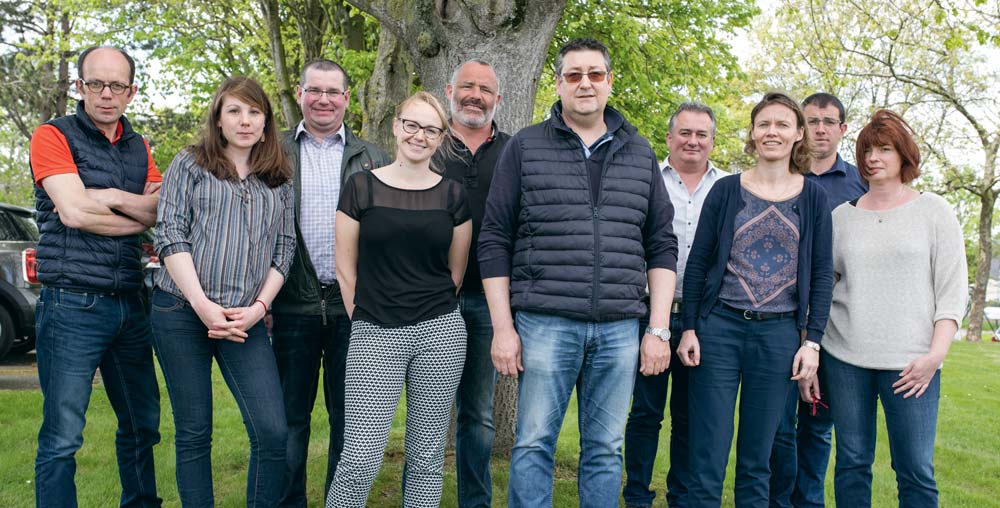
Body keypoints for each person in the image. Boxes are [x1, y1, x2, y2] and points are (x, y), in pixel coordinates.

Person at [479, 38, 678, 507]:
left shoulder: (640, 151)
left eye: (594, 74)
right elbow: (494, 240)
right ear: (559, 83)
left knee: (607, 450)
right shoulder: (525, 147)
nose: (584, 83)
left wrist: (659, 329)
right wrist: (503, 328)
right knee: (532, 446)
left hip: (619, 327)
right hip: (545, 322)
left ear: (609, 81)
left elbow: (661, 245)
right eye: (573, 74)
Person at [677, 91, 833, 508]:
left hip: (779, 336)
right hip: (720, 331)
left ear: (799, 134)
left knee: (757, 459)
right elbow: (698, 265)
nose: (772, 132)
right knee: (707, 453)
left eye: (783, 124)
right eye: (764, 124)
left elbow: (821, 275)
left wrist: (811, 341)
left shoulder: (814, 198)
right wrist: (690, 326)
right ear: (752, 132)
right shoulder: (727, 191)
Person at [29, 45, 162, 508]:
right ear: (79, 86)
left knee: (143, 425)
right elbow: (73, 210)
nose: (106, 94)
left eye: (117, 85)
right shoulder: (52, 135)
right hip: (71, 304)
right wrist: (133, 211)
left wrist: (103, 195)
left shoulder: (140, 145)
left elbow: (158, 209)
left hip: (130, 299)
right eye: (96, 84)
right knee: (64, 434)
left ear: (132, 91)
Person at [152, 76, 294, 506]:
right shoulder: (190, 163)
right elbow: (170, 234)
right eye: (234, 111)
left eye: (254, 112)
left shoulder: (278, 179)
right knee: (195, 432)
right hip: (180, 311)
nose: (245, 120)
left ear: (266, 121)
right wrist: (203, 306)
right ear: (218, 117)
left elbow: (284, 248)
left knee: (272, 431)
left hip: (244, 320)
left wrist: (258, 307)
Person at [325, 91, 472, 507]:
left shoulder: (453, 196)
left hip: (439, 335)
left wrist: (426, 311)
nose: (419, 136)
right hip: (375, 334)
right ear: (396, 125)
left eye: (430, 129)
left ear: (440, 138)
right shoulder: (361, 187)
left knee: (426, 459)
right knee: (360, 458)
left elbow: (454, 272)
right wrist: (365, 318)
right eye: (412, 124)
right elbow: (344, 268)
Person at [820, 109, 966, 507]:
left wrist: (935, 356)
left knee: (915, 469)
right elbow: (824, 288)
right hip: (845, 359)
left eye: (884, 149)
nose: (872, 158)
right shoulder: (841, 218)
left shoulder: (934, 212)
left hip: (912, 364)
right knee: (851, 462)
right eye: (867, 149)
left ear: (904, 156)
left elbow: (952, 291)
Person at [270, 58, 390, 507]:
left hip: (353, 311)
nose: (323, 100)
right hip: (289, 306)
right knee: (288, 422)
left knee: (350, 422)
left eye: (333, 91)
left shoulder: (375, 157)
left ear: (346, 97)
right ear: (300, 94)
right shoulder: (273, 150)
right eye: (314, 90)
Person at [623, 102, 727, 508]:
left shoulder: (727, 187)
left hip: (702, 319)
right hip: (649, 313)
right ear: (669, 138)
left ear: (712, 141)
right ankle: (637, 495)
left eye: (702, 134)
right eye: (685, 132)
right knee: (646, 413)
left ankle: (681, 496)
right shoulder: (648, 180)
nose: (693, 141)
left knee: (690, 417)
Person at [769, 92, 867, 508]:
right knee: (775, 424)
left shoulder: (859, 183)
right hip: (779, 314)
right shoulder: (781, 177)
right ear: (800, 128)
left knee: (815, 421)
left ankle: (807, 502)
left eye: (829, 121)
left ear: (843, 129)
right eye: (812, 121)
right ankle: (775, 500)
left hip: (833, 320)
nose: (820, 129)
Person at [435, 59, 511, 508]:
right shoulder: (427, 142)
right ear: (450, 90)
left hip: (489, 299)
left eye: (485, 89)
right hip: (431, 297)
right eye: (467, 86)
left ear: (497, 99)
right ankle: (417, 497)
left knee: (478, 415)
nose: (475, 95)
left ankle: (474, 502)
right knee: (425, 413)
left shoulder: (514, 150)